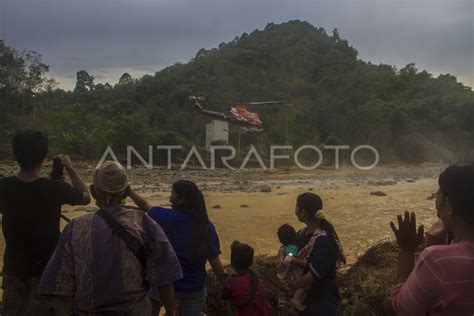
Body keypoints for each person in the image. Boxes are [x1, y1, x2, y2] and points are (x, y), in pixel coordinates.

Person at [38, 161, 182, 315]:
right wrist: (171, 311)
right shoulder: (143, 223)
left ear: (93, 191)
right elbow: (164, 278)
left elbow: (62, 289)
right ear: (126, 191)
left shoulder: (75, 228)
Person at [0, 130, 90, 316]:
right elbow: (86, 197)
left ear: (16, 156)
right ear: (42, 156)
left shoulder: (5, 187)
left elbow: (26, 194)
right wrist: (70, 167)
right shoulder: (54, 189)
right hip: (47, 271)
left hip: (14, 270)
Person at [390, 163, 474, 315]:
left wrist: (406, 251)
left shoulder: (437, 261)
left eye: (439, 194)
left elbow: (403, 308)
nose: (436, 201)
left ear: (449, 206)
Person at [135, 180, 226, 316]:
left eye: (172, 194)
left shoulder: (167, 218)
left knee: (151, 303)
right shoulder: (206, 226)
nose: (169, 198)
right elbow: (214, 261)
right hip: (194, 288)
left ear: (182, 199)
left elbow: (145, 206)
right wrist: (226, 284)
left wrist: (130, 192)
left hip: (166, 286)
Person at [287, 192, 346, 316]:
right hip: (306, 299)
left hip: (322, 301)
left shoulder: (323, 240)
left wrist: (295, 285)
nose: (295, 209)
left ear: (303, 213)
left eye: (296, 206)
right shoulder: (301, 234)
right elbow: (291, 252)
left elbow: (314, 274)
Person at [222, 241, 271, 316]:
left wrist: (227, 281)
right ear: (251, 262)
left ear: (232, 263)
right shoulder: (254, 277)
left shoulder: (231, 282)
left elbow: (224, 296)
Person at [276, 224, 306, 312]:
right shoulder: (292, 248)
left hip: (289, 275)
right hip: (295, 273)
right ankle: (296, 299)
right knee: (304, 285)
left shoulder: (284, 248)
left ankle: (293, 309)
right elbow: (290, 257)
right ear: (294, 235)